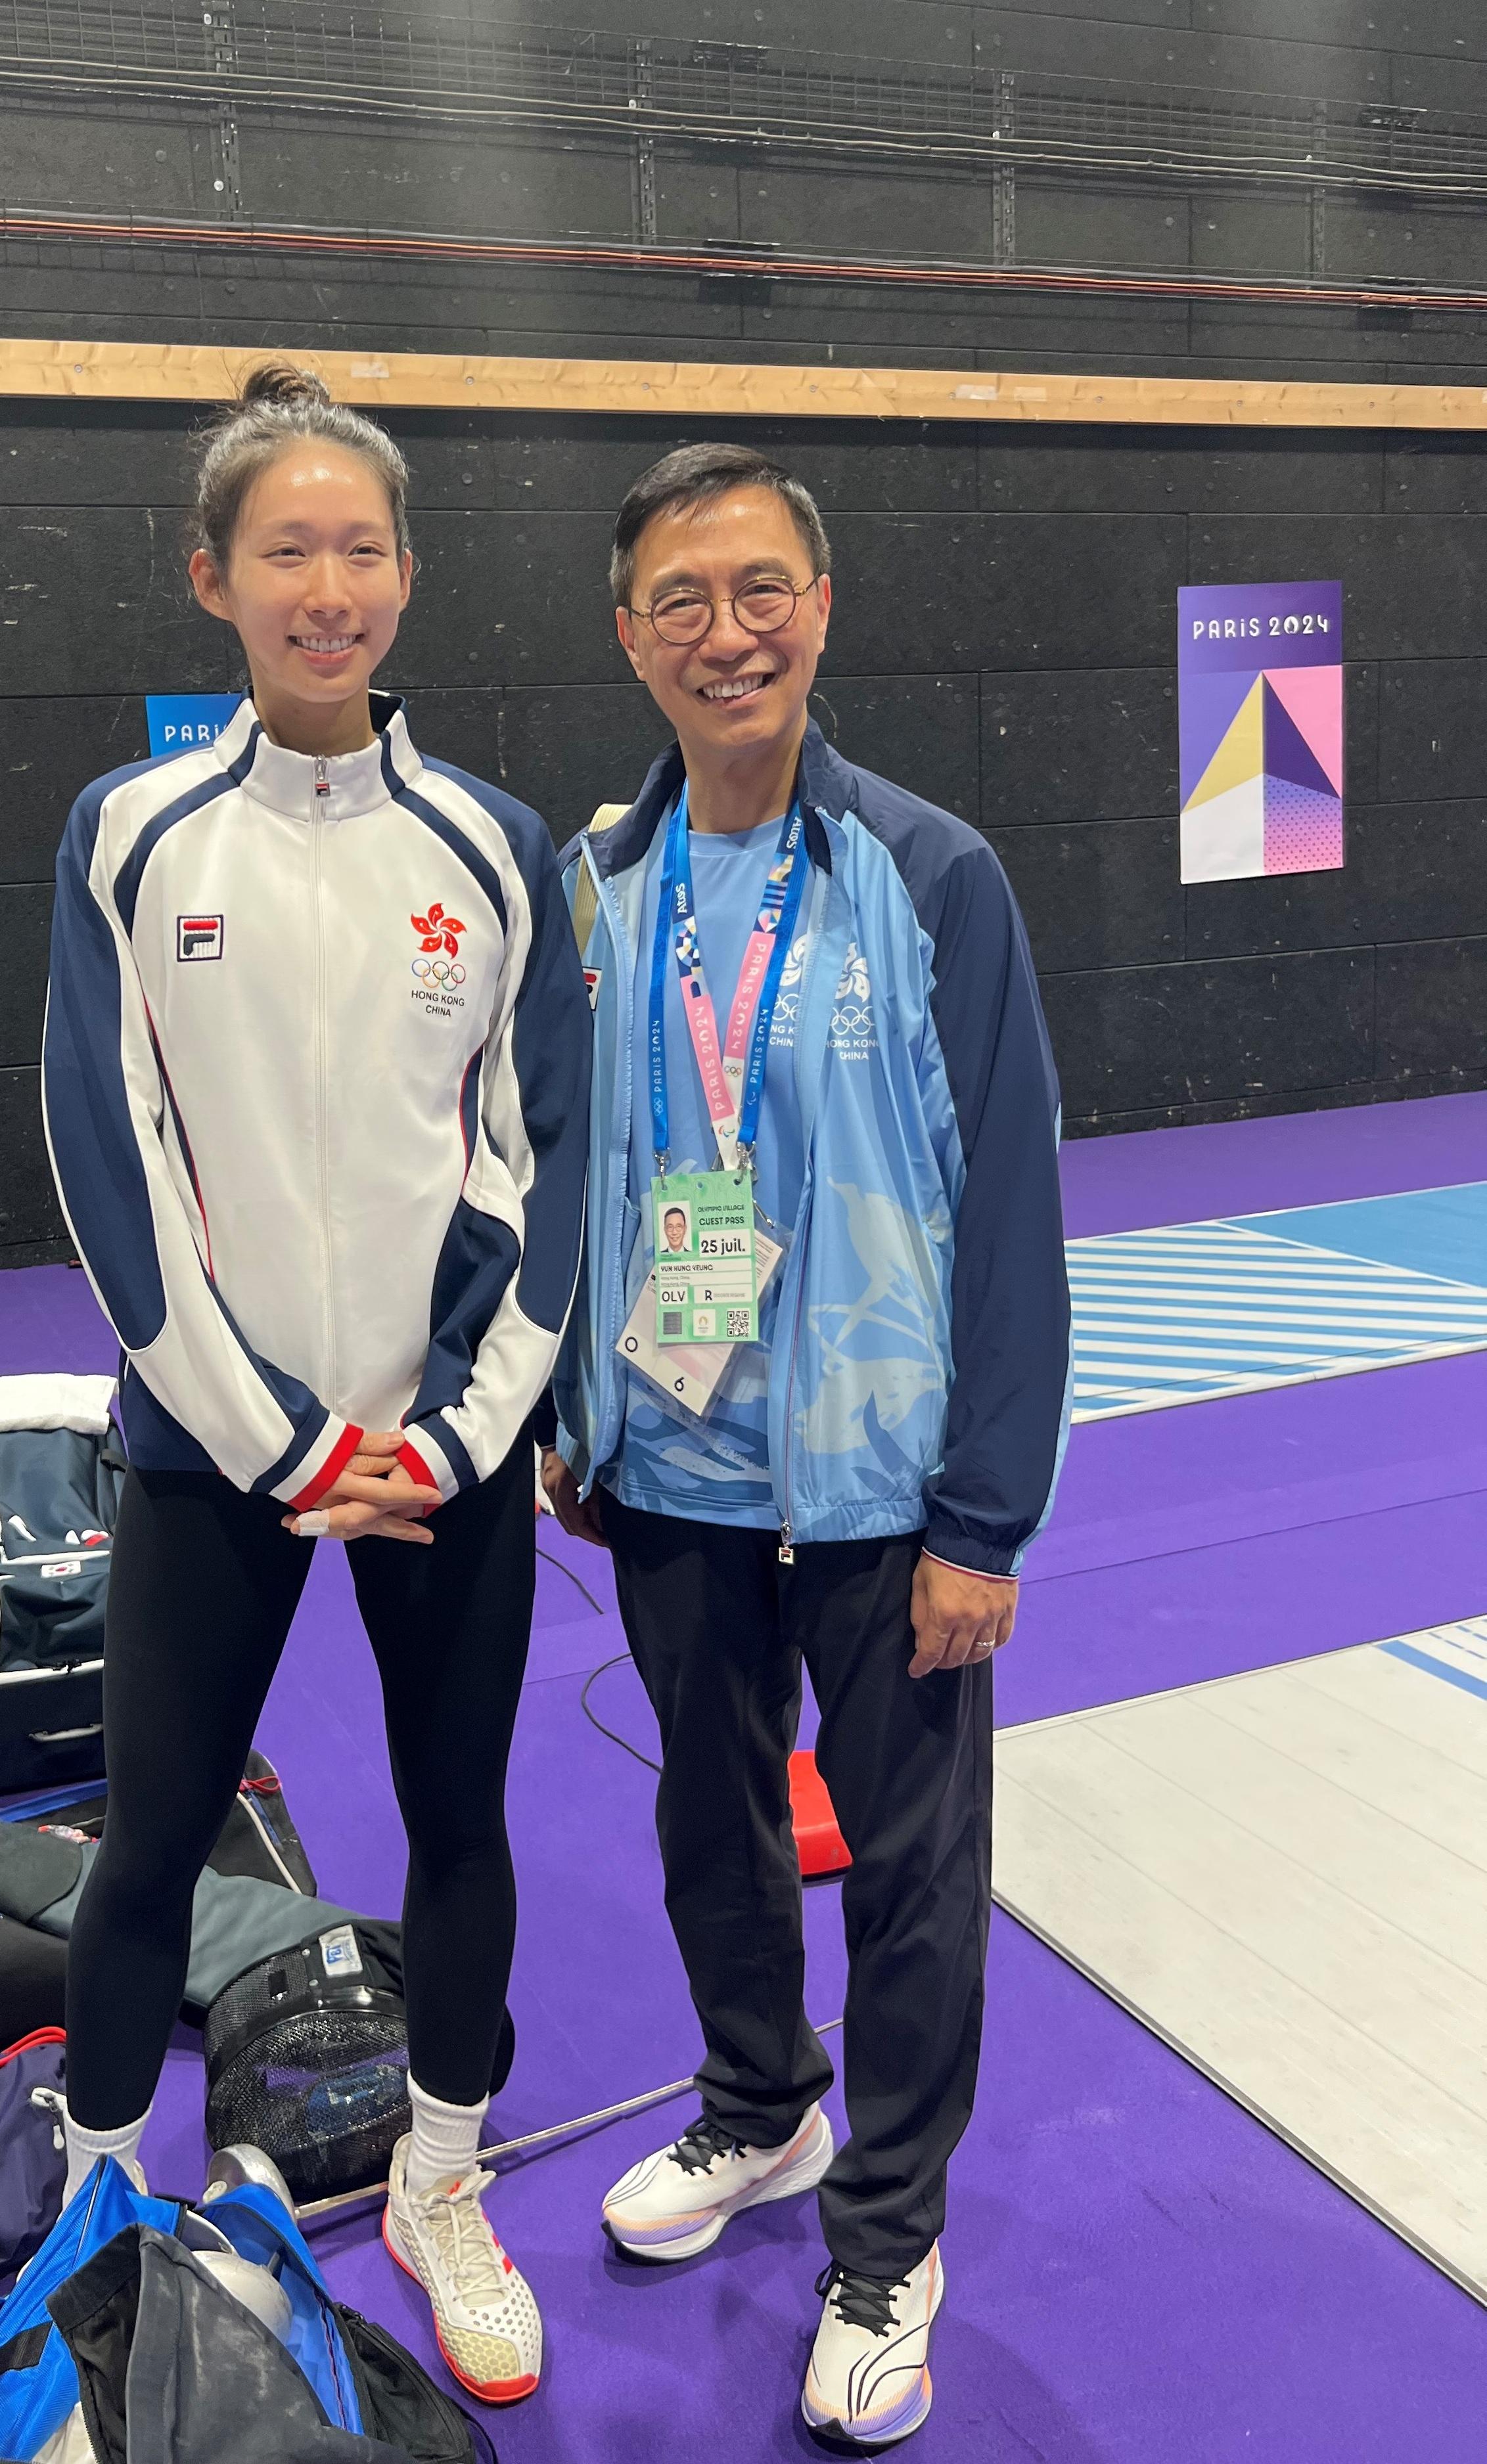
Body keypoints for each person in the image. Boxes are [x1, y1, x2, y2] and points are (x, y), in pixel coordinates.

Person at [41, 362, 589, 2407]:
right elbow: (111, 1171)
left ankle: (447, 2185)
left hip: (446, 1456)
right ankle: (99, 2219)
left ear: (407, 581)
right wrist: (282, 1440)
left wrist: (445, 1431)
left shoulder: (498, 844)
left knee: (464, 1828)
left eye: (363, 549)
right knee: (152, 1849)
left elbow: (549, 1163)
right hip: (216, 1452)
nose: (329, 584)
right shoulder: (128, 837)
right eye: (290, 549)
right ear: (215, 580)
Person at [540, 443, 1069, 2450]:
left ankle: (889, 2234)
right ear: (628, 637)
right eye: (681, 600)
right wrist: (585, 1405)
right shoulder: (596, 889)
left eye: (760, 589)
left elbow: (1010, 1206)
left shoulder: (930, 875)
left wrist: (986, 1513)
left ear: (821, 610)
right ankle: (759, 2110)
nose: (724, 631)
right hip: (672, 1468)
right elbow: (571, 1170)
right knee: (711, 1825)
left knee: (914, 1872)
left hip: (880, 1478)